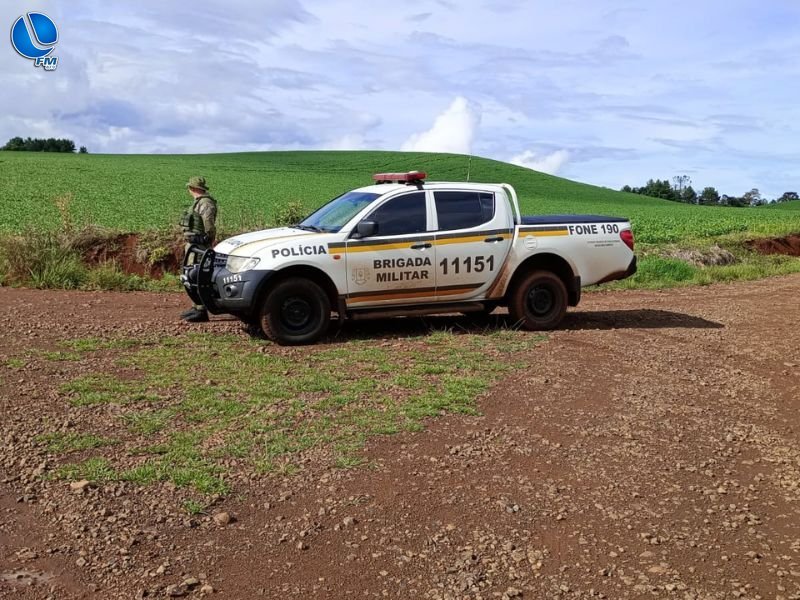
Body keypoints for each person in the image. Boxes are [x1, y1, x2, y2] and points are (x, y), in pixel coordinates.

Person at [180, 176, 218, 323]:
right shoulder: (199, 203)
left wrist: (204, 239)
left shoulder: (206, 204)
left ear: (193, 188)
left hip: (199, 246)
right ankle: (196, 307)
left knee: (195, 275)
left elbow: (208, 225)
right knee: (190, 274)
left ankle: (201, 310)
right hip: (193, 244)